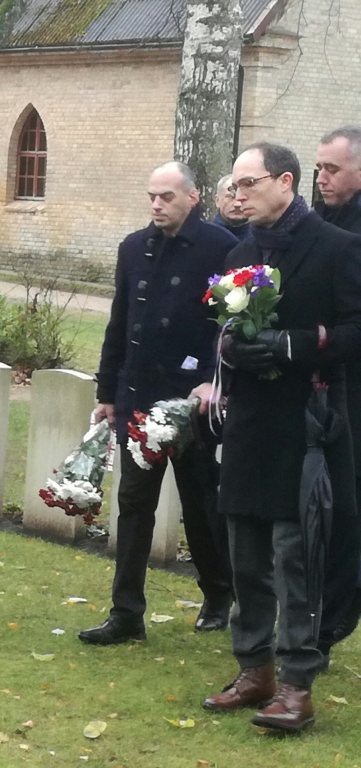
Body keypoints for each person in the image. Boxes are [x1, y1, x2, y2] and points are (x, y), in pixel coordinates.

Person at [202, 143, 361, 732]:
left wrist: (293, 344)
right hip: (250, 423)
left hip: (308, 423)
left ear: (285, 182)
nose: (237, 195)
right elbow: (223, 324)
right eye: (234, 186)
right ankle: (254, 669)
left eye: (248, 183)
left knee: (296, 558)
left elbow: (354, 331)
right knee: (245, 552)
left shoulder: (338, 247)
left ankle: (297, 683)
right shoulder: (243, 250)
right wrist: (231, 347)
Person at [79, 162, 237, 647]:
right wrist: (107, 393)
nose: (157, 205)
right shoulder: (134, 247)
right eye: (152, 196)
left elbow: (227, 328)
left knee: (200, 502)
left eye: (167, 196)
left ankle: (217, 591)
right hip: (139, 398)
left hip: (189, 403)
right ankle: (126, 612)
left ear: (192, 197)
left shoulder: (221, 248)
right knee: (133, 505)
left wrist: (215, 382)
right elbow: (120, 324)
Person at [314, 125, 361, 658]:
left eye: (333, 169)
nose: (321, 178)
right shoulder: (319, 218)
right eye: (319, 168)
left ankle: (332, 620)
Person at [212, 174, 251, 241]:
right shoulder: (204, 237)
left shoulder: (263, 238)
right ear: (217, 201)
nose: (237, 204)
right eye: (230, 197)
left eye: (243, 198)